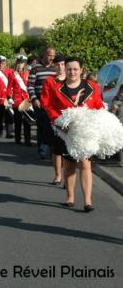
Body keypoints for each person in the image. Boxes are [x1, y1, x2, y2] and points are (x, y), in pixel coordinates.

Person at [42, 57, 104, 212]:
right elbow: (50, 107)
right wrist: (59, 121)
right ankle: (70, 197)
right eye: (69, 69)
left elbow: (98, 105)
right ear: (65, 70)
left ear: (82, 70)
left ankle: (88, 201)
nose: (72, 72)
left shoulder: (93, 87)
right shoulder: (58, 88)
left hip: (85, 132)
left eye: (75, 69)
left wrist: (98, 118)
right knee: (69, 164)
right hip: (66, 132)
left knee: (85, 164)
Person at [41, 55, 66, 185]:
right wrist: (54, 117)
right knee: (57, 149)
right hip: (55, 118)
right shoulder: (50, 81)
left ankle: (68, 178)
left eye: (62, 64)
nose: (60, 67)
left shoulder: (72, 79)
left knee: (69, 151)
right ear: (54, 66)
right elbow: (45, 101)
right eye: (57, 65)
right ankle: (57, 175)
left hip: (71, 119)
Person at [28, 47, 57, 159]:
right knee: (42, 125)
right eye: (49, 55)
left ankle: (49, 147)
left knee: (51, 125)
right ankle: (42, 148)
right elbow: (30, 85)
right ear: (44, 54)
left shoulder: (55, 68)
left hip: (52, 102)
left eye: (53, 56)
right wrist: (34, 98)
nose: (51, 58)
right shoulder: (36, 68)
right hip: (39, 101)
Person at [11, 55, 32, 146]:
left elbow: (31, 86)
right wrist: (9, 98)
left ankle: (27, 140)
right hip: (17, 101)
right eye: (19, 63)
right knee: (18, 121)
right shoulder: (12, 74)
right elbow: (9, 88)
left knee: (27, 121)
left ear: (25, 64)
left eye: (22, 63)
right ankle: (18, 139)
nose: (20, 65)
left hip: (27, 100)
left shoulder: (28, 73)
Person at [110, 85, 123, 165]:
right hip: (119, 124)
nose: (122, 94)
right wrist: (113, 109)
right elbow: (113, 115)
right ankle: (121, 160)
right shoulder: (116, 100)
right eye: (121, 91)